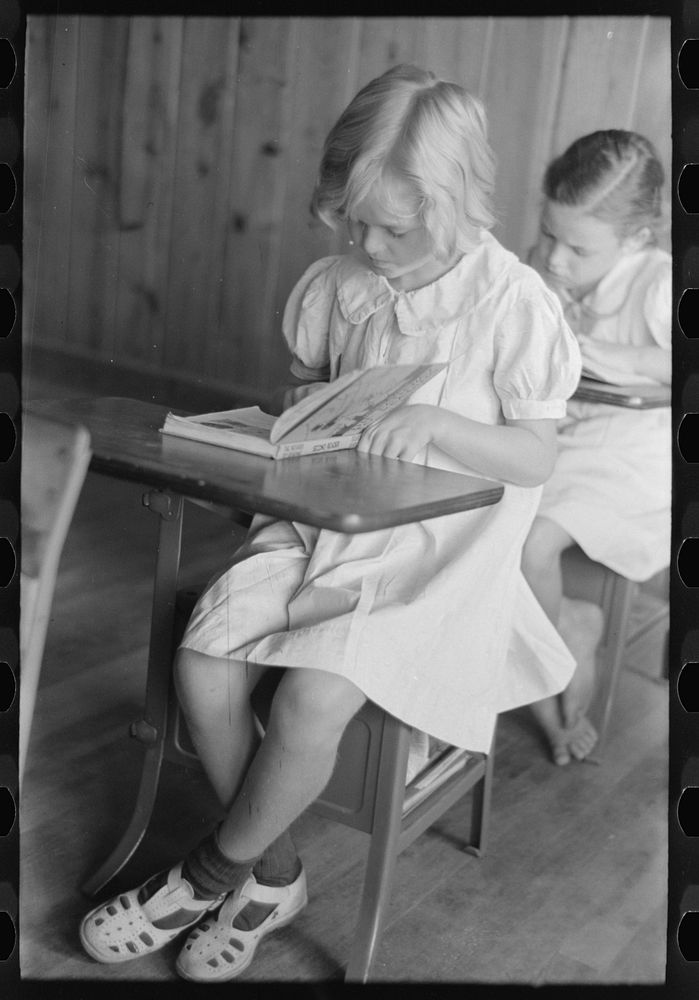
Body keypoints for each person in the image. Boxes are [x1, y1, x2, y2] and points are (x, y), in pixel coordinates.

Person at [80, 64, 581, 982]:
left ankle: (205, 873)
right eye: (351, 219)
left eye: (395, 228)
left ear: (461, 202)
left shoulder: (512, 305)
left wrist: (437, 424)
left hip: (439, 555)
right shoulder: (338, 282)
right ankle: (272, 875)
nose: (370, 244)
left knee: (314, 692)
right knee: (202, 658)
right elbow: (311, 386)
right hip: (322, 526)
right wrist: (306, 409)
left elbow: (538, 459)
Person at [521, 130, 671, 767]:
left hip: (633, 459)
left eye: (577, 247)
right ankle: (557, 640)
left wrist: (622, 355)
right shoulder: (546, 265)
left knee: (531, 542)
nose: (555, 257)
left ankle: (562, 639)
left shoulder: (658, 282)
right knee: (477, 526)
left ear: (635, 240)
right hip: (563, 439)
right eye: (550, 233)